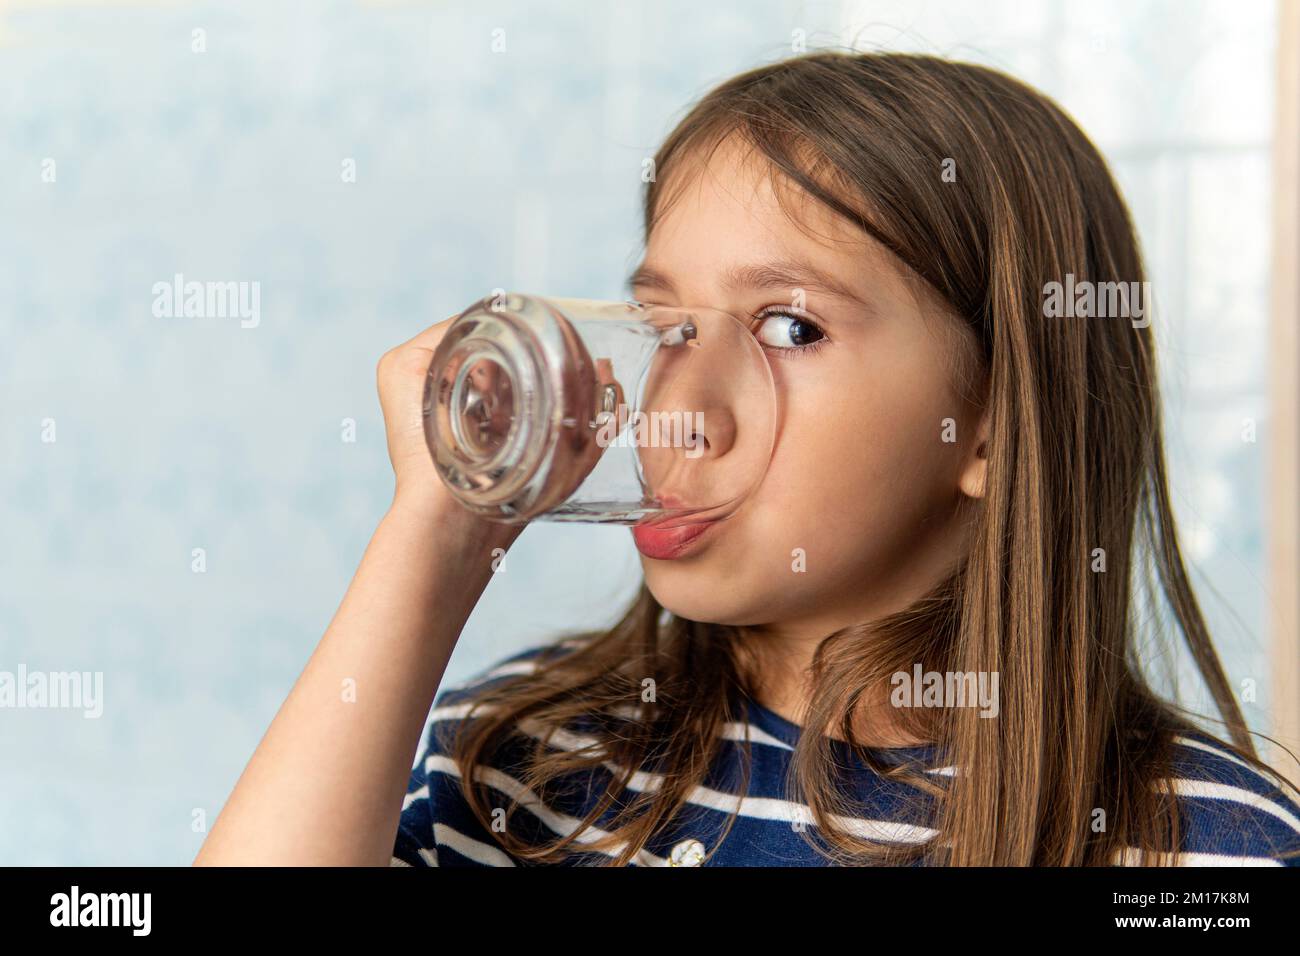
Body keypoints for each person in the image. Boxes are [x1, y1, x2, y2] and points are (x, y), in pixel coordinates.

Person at [195, 50, 1300, 867]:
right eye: (663, 325)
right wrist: (435, 534)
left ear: (995, 424)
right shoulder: (523, 763)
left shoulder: (1201, 849)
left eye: (788, 328)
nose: (675, 408)